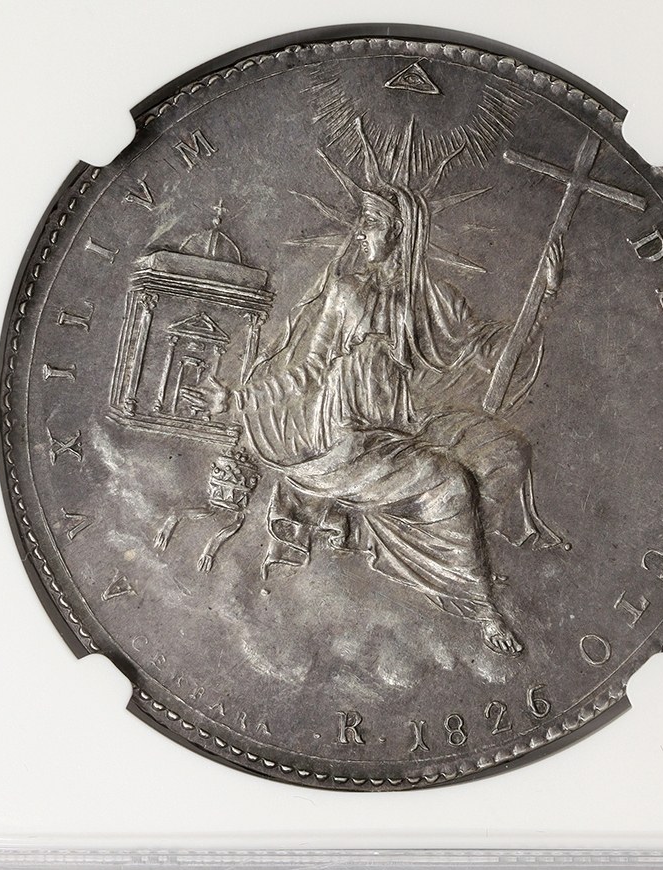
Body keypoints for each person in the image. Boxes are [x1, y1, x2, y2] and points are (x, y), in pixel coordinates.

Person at [223, 119, 567, 655]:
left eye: (372, 224)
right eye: (361, 224)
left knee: (506, 449)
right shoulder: (345, 292)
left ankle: (471, 549)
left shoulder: (434, 299)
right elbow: (308, 370)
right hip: (350, 433)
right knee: (451, 482)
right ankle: (483, 606)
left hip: (406, 424)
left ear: (401, 232)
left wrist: (542, 301)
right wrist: (240, 400)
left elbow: (493, 354)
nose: (361, 234)